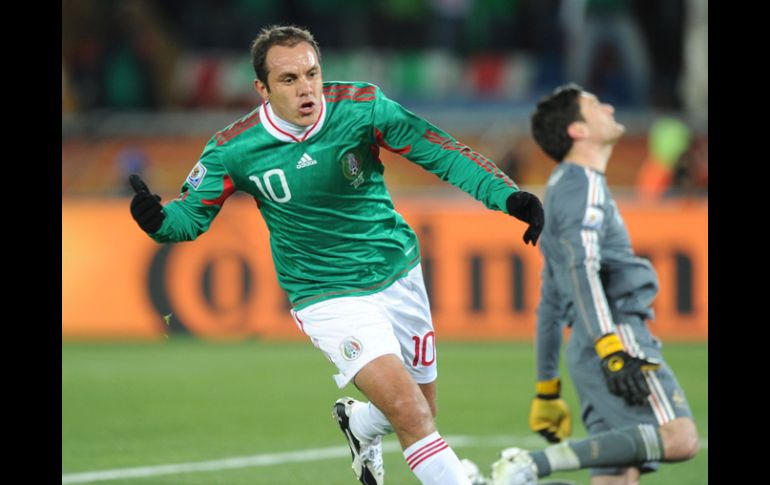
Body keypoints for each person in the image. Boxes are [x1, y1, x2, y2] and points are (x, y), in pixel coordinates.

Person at [128, 25, 544, 485]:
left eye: (312, 74)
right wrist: (157, 221)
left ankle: (358, 423)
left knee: (420, 407)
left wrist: (507, 197)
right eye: (288, 80)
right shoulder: (234, 150)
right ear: (262, 89)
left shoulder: (361, 107)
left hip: (397, 271)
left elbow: (438, 151)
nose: (306, 88)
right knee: (409, 411)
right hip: (326, 294)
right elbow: (189, 217)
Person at [485, 84, 699, 485]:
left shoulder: (562, 189)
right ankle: (531, 465)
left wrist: (548, 387)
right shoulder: (583, 186)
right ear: (577, 131)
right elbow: (582, 270)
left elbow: (550, 301)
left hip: (589, 349)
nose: (610, 106)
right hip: (616, 338)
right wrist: (611, 347)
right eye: (596, 105)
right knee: (681, 438)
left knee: (615, 481)